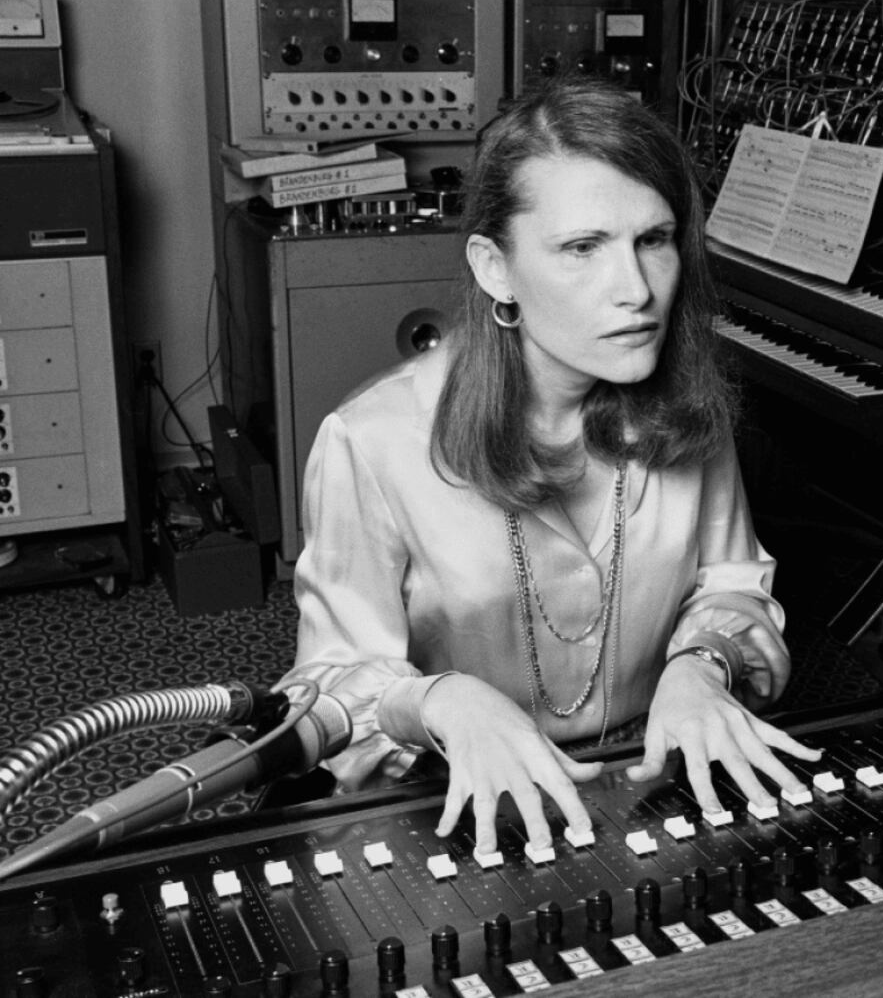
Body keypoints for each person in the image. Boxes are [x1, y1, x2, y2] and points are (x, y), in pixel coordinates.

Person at [285, 77, 821, 860]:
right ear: (495, 268)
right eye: (582, 248)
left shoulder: (686, 411)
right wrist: (440, 700)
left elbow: (733, 587)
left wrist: (703, 664)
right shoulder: (371, 442)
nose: (636, 290)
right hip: (450, 804)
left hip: (651, 784)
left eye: (654, 239)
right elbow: (323, 694)